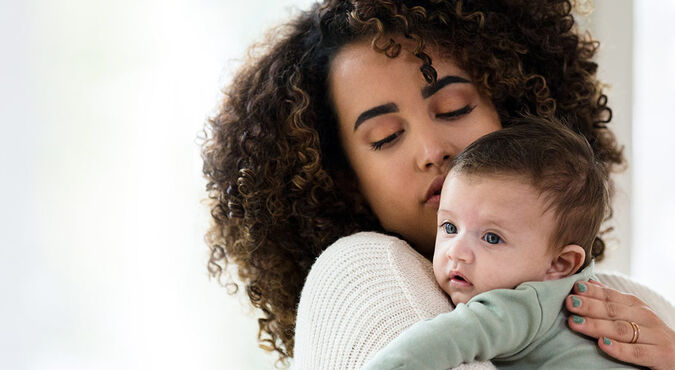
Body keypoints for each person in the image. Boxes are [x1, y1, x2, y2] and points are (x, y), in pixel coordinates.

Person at [201, 1, 675, 368]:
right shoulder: (362, 271)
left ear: (512, 111)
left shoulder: (637, 307)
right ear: (344, 180)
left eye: (453, 108)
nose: (433, 150)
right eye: (385, 137)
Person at [363, 119, 635, 369]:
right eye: (449, 227)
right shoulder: (578, 293)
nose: (456, 251)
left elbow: (441, 340)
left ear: (559, 264)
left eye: (491, 238)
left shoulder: (520, 304)